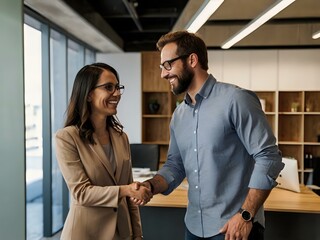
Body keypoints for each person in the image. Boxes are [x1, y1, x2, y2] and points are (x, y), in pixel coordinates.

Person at [132, 31, 284, 240]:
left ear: (192, 60)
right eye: (161, 67)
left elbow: (268, 157)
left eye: (168, 65)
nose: (163, 74)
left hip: (234, 229)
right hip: (193, 227)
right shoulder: (179, 115)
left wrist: (246, 215)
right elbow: (175, 166)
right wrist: (150, 186)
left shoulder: (236, 100)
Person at [55, 62, 152, 240]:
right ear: (89, 94)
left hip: (122, 233)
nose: (116, 93)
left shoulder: (121, 137)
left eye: (117, 87)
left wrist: (138, 235)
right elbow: (81, 193)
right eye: (108, 87)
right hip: (85, 234)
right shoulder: (67, 138)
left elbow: (130, 191)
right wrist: (126, 190)